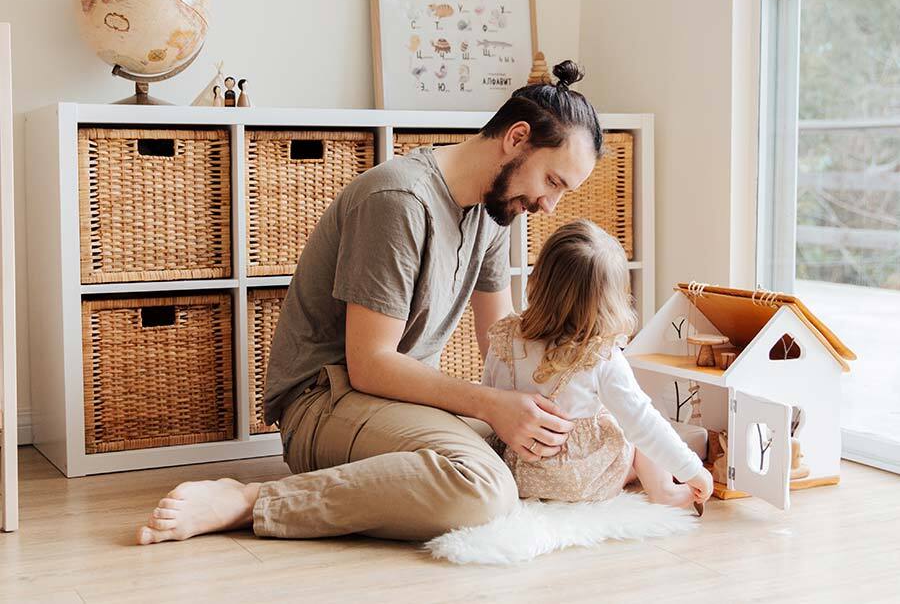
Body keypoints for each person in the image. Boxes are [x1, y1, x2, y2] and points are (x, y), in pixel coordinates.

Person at [137, 61, 604, 545]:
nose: (549, 205)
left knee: (550, 445)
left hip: (402, 402)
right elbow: (370, 364)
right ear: (517, 138)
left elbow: (502, 344)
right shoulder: (399, 200)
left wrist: (571, 400)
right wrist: (494, 407)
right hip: (326, 400)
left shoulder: (491, 211)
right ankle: (254, 500)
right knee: (485, 489)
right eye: (552, 182)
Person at [481, 219, 713, 511]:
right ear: (610, 302)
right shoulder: (601, 356)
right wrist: (693, 470)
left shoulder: (505, 337)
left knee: (617, 417)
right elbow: (643, 423)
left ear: (537, 280)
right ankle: (664, 490)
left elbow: (489, 396)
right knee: (634, 424)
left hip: (517, 472)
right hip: (579, 480)